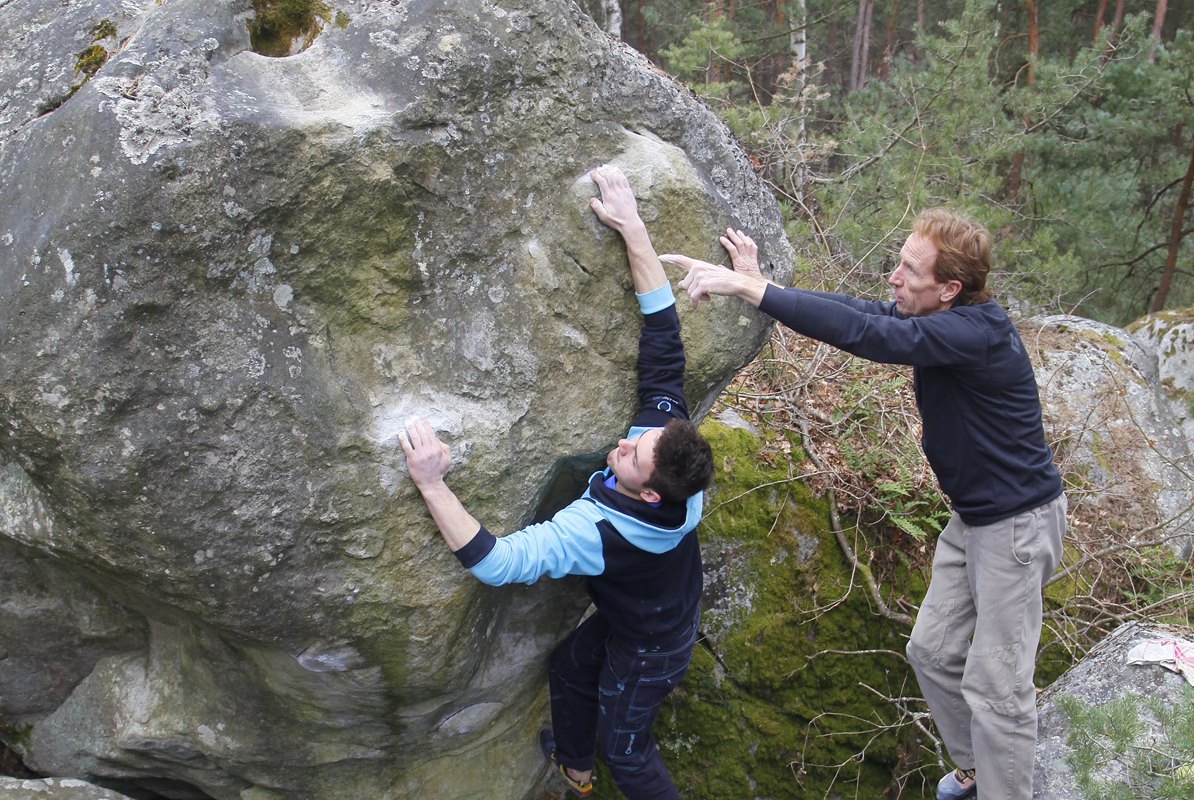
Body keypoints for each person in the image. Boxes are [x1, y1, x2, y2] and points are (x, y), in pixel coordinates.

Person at [661, 211, 1065, 800]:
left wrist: (750, 288)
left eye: (909, 269)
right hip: (976, 520)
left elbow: (874, 338)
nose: (893, 276)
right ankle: (981, 769)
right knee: (931, 651)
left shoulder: (976, 334)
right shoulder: (936, 317)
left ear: (949, 289)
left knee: (997, 686)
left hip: (1018, 529)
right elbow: (860, 313)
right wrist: (761, 287)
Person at [400, 165, 713, 800]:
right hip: (657, 609)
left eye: (629, 458)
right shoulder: (673, 452)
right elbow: (663, 331)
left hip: (652, 645)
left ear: (650, 494)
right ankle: (575, 767)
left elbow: (497, 563)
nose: (622, 444)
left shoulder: (595, 533)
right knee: (570, 665)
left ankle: (600, 768)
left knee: (629, 750)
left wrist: (433, 485)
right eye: (637, 439)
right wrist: (633, 227)